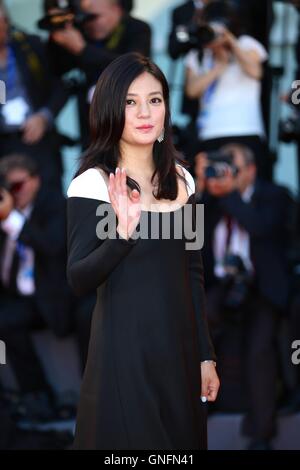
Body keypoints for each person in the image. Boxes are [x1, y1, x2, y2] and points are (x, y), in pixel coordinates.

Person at [66, 52, 219, 450]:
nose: (144, 112)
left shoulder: (183, 180)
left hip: (181, 357)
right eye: (131, 102)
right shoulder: (92, 185)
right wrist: (123, 233)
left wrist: (206, 356)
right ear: (111, 110)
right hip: (124, 357)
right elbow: (78, 278)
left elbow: (193, 272)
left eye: (155, 99)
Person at [197, 144, 289, 450]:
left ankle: (261, 434)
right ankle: (197, 407)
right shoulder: (211, 200)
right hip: (222, 284)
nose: (223, 173)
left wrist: (229, 194)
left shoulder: (274, 195)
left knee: (259, 349)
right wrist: (197, 189)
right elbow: (186, 234)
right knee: (194, 330)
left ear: (250, 170)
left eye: (230, 166)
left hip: (261, 287)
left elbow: (261, 227)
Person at [0, 154, 73, 422]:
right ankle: (17, 397)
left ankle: (38, 396)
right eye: (9, 189)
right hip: (16, 298)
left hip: (51, 299)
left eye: (18, 186)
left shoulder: (56, 206)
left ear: (36, 181)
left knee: (6, 322)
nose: (13, 194)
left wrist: (10, 219)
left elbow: (52, 246)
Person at [45, 0, 151, 147]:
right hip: (92, 128)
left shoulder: (137, 29)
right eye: (85, 17)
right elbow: (56, 69)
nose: (89, 23)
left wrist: (82, 49)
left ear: (116, 9)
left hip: (128, 123)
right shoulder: (84, 32)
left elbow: (131, 65)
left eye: (94, 17)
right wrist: (58, 34)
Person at [184, 0, 269, 178]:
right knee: (212, 189)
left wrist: (231, 43)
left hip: (246, 130)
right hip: (210, 133)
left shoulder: (246, 44)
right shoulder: (197, 55)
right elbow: (192, 90)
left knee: (246, 185)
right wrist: (218, 67)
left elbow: (256, 71)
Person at [0, 2, 67, 190]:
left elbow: (59, 86)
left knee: (52, 202)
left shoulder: (29, 46)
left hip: (39, 138)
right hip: (5, 146)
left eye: (3, 22)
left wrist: (44, 117)